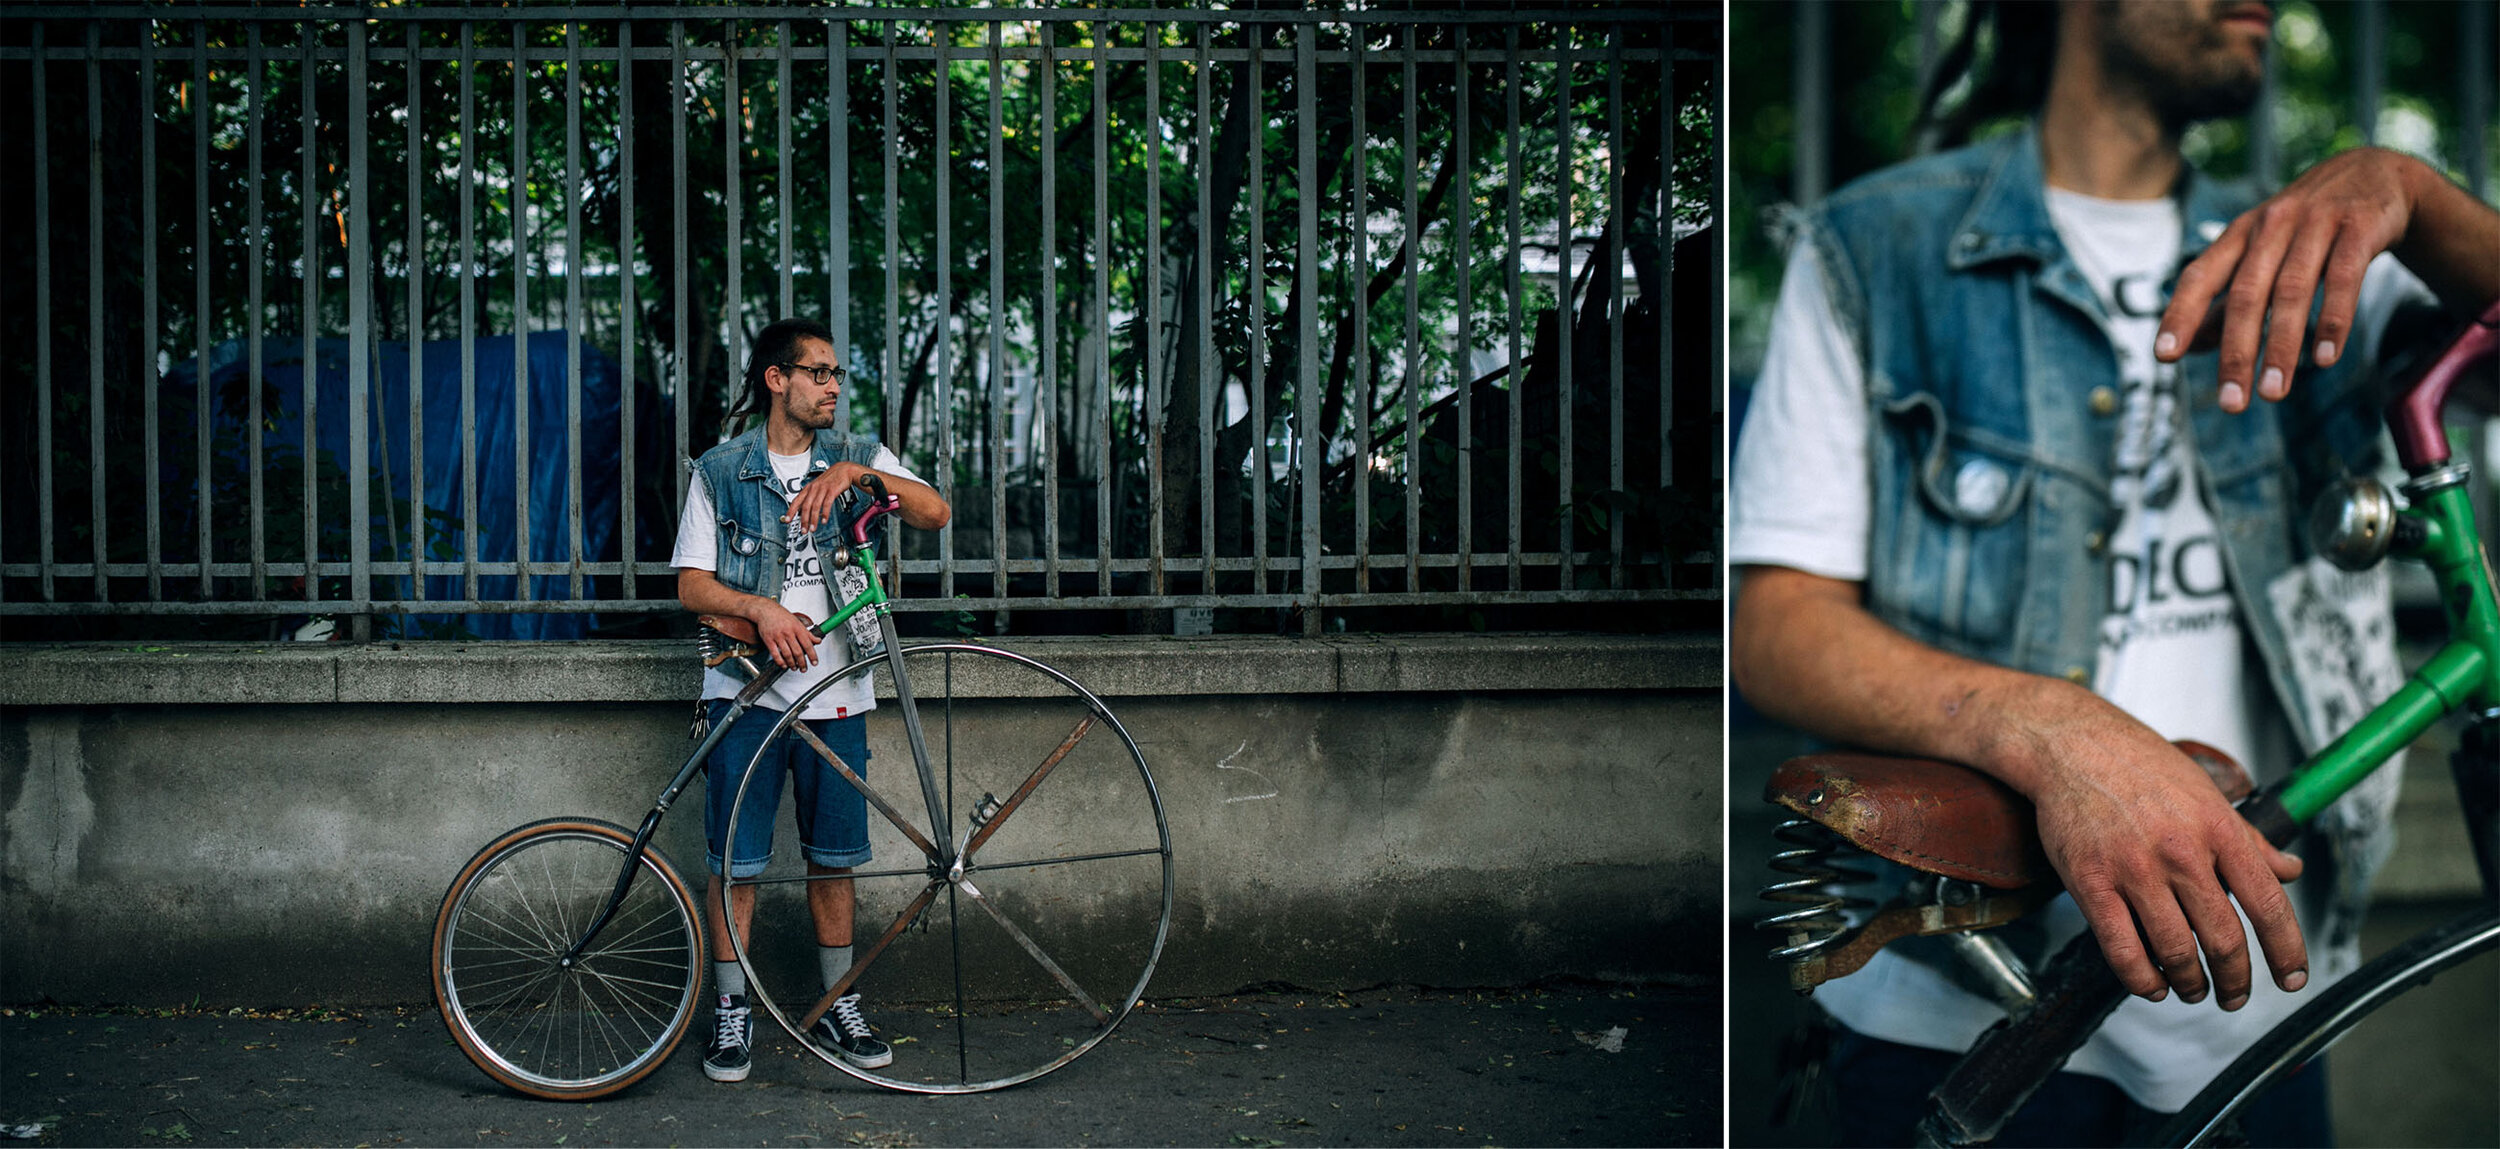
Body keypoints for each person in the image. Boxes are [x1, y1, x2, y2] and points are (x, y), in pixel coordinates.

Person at [1728, 1, 2500, 1143]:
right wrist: (2054, 730)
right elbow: (1776, 620)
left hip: (2266, 1013)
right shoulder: (1876, 250)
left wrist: (2415, 195)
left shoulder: (2320, 251)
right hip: (1959, 1006)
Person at [671, 317, 951, 1083]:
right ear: (777, 380)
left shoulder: (854, 452)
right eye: (818, 373)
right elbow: (692, 582)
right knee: (738, 863)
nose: (831, 387)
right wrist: (761, 610)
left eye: (836, 375)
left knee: (835, 860)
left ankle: (836, 1001)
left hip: (838, 694)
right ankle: (732, 1010)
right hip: (745, 693)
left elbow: (933, 511)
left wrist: (863, 477)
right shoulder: (722, 470)